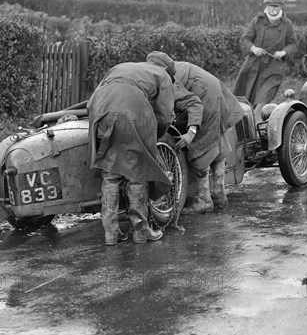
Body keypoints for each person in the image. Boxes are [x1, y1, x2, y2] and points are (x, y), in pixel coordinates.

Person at [87, 51, 201, 245]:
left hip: (100, 109)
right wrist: (155, 135)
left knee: (111, 172)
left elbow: (92, 100)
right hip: (132, 110)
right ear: (166, 69)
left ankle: (111, 233)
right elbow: (165, 114)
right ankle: (141, 232)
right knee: (138, 173)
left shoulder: (121, 66)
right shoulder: (163, 75)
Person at [172, 61, 245, 214]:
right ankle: (219, 192)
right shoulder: (165, 67)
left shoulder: (158, 77)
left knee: (200, 144)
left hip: (202, 94)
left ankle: (204, 200)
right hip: (213, 87)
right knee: (216, 134)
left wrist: (189, 131)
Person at [233, 0, 298, 118]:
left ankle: (256, 125)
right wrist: (253, 48)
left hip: (274, 68)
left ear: (281, 8)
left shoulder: (286, 24)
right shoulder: (257, 21)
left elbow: (293, 44)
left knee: (263, 98)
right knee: (244, 97)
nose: (273, 10)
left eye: (276, 7)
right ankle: (239, 122)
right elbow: (246, 39)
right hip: (253, 66)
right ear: (266, 7)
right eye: (271, 7)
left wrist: (283, 52)